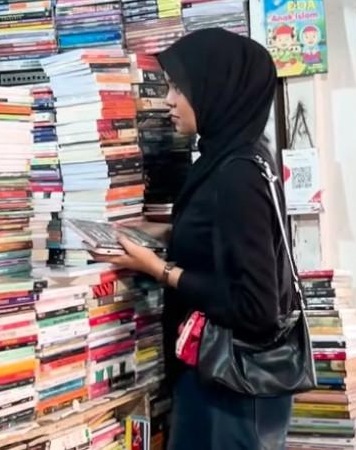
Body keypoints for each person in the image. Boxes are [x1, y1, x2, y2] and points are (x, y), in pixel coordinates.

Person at [95, 28, 296, 450]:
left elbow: (255, 306)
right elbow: (223, 237)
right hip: (222, 381)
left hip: (233, 388)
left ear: (215, 89)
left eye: (179, 89)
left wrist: (160, 270)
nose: (169, 101)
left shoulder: (237, 174)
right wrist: (153, 234)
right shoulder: (236, 156)